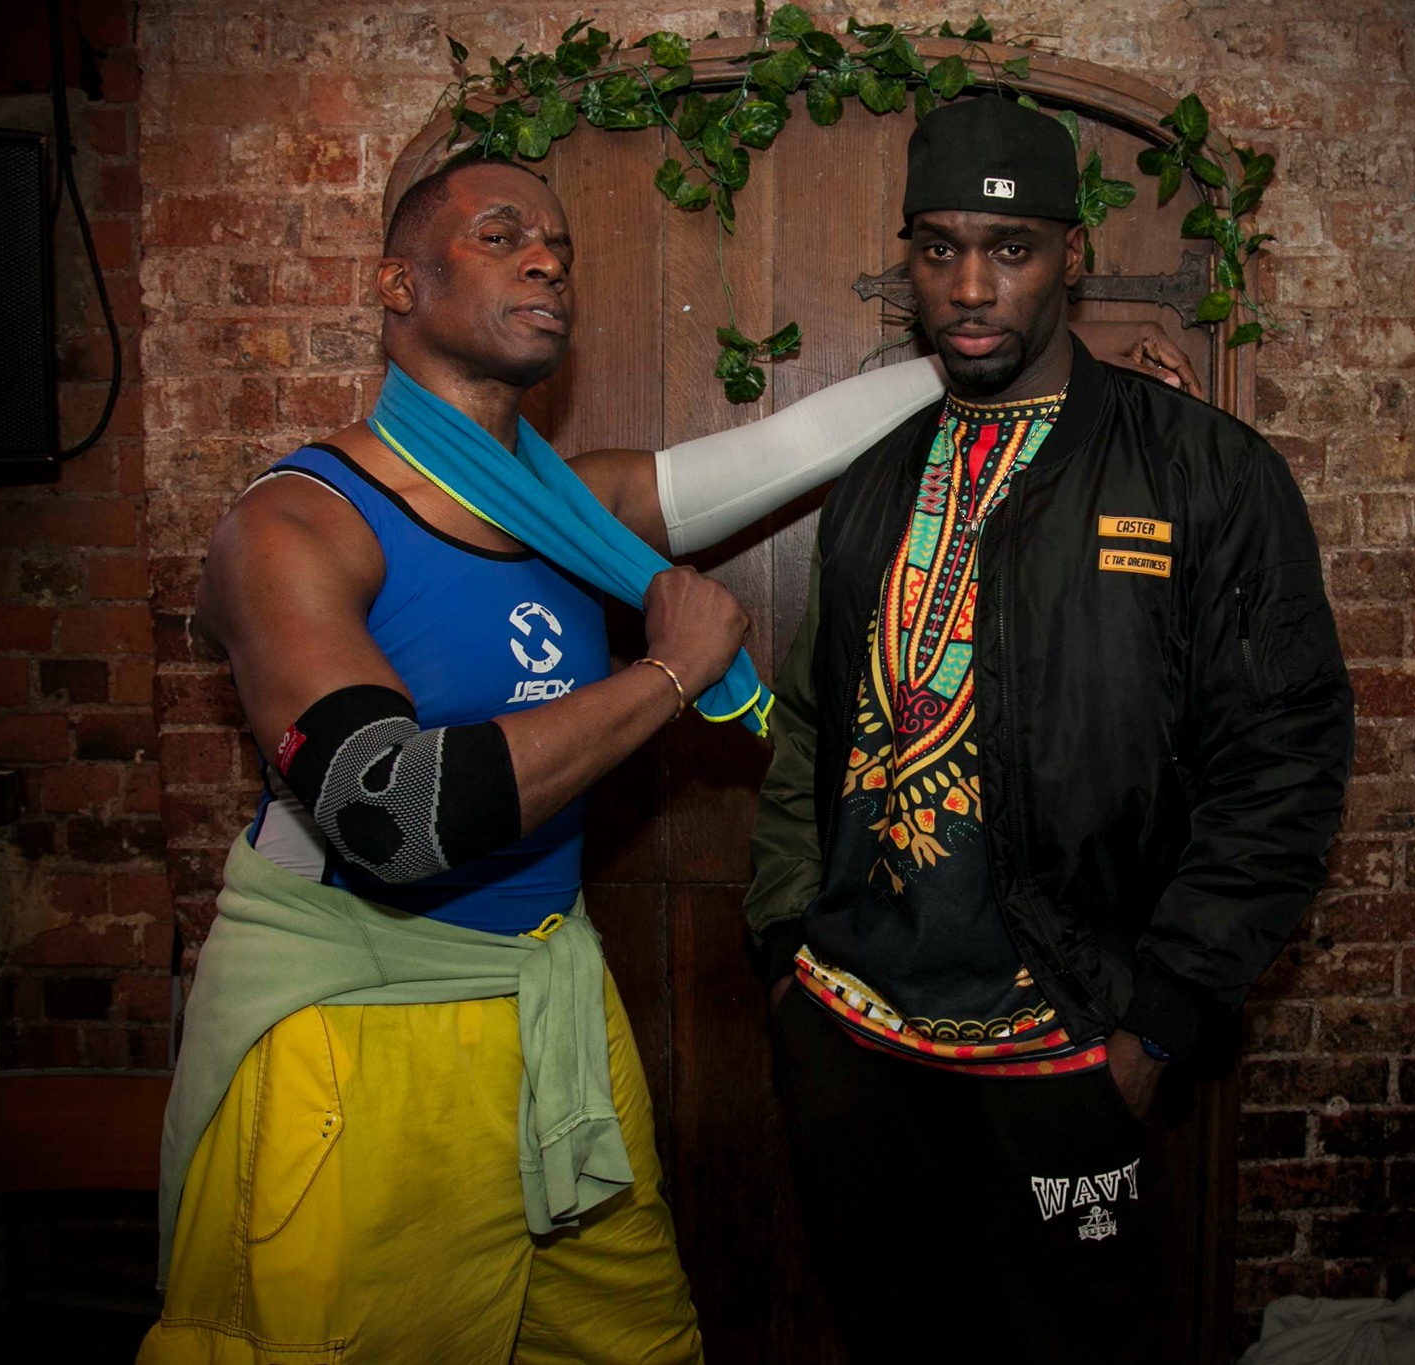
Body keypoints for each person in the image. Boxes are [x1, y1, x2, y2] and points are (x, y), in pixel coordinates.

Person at [137, 144, 1197, 1365]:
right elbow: (389, 811)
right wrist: (667, 675)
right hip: (361, 1024)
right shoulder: (298, 521)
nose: (547, 261)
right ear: (395, 285)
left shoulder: (565, 514)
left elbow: (787, 449)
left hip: (546, 1006)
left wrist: (1059, 364)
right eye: (499, 235)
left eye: (559, 247)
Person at [746, 95, 1356, 1363]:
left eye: (1009, 250)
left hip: (1067, 1048)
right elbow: (812, 720)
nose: (970, 288)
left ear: (1070, 256)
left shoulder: (1201, 469)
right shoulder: (876, 479)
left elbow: (1281, 769)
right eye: (938, 249)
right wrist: (784, 948)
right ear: (909, 261)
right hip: (852, 1037)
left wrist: (1155, 1021)